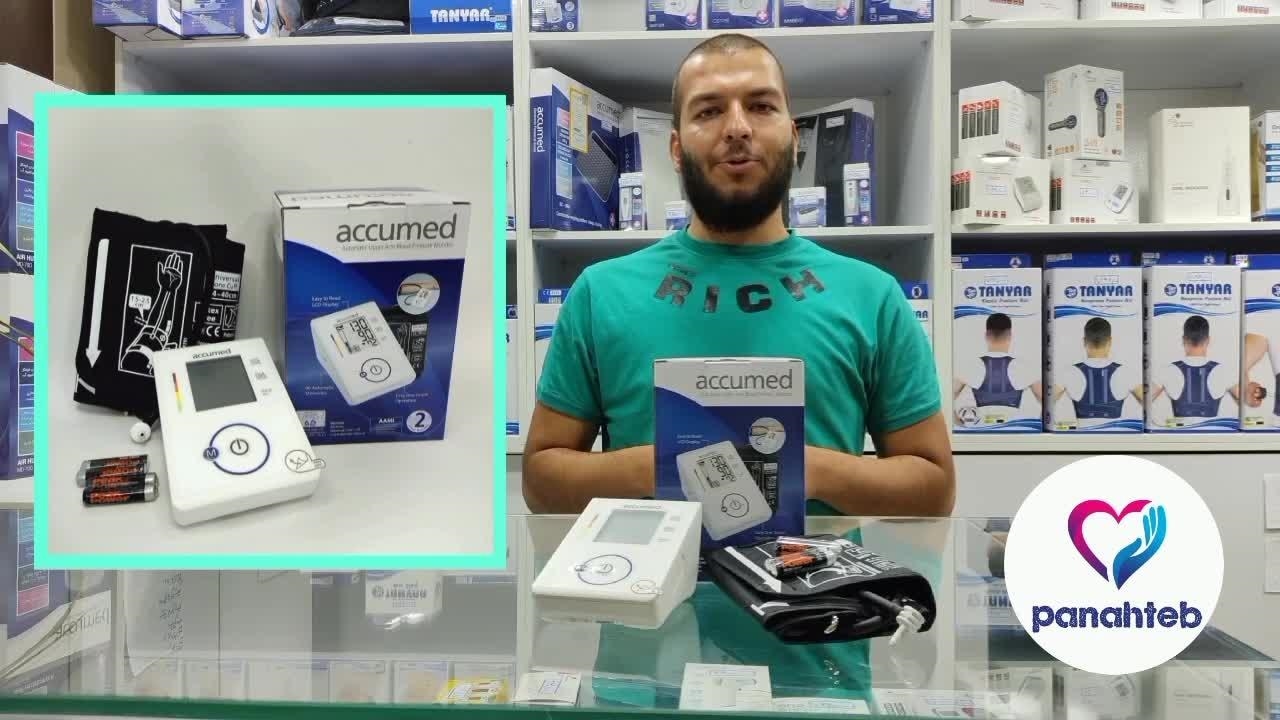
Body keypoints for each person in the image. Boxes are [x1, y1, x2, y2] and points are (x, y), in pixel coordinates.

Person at [523, 33, 955, 519]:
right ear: (676, 148)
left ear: (794, 137)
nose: (737, 127)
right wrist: (672, 463)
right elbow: (540, 483)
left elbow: (934, 489)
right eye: (709, 111)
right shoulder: (601, 293)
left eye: (761, 106)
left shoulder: (871, 295)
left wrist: (800, 467)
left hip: (813, 572)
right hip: (653, 570)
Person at [1150, 315, 1243, 418]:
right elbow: (1245, 399)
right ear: (1208, 340)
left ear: (1184, 340)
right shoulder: (1223, 371)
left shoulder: (1168, 370)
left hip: (1179, 428)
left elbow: (1144, 397)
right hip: (1212, 428)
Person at [952, 313, 1042, 419]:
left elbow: (947, 395)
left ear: (986, 335)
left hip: (981, 425)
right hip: (1014, 426)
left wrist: (957, 421)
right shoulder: (1023, 367)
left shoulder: (971, 366)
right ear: (1010, 336)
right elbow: (1050, 397)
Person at [1051, 317, 1142, 421]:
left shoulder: (1069, 373)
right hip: (1116, 431)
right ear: (1110, 341)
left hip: (1081, 431)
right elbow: (1150, 402)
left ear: (1084, 341)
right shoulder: (1126, 373)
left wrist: (1062, 426)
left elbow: (1046, 403)